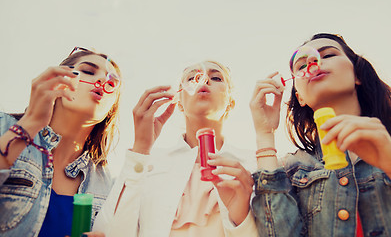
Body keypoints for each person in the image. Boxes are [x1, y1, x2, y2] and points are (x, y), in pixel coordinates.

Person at [93, 60, 258, 236]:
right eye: (192, 78)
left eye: (216, 77)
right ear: (179, 101)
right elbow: (109, 232)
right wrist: (140, 149)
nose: (204, 80)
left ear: (230, 102)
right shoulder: (149, 163)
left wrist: (242, 219)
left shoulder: (252, 166)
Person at [250, 33, 391, 236]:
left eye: (328, 55)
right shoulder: (289, 170)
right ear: (299, 97)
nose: (312, 62)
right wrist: (264, 133)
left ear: (357, 75)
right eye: (300, 66)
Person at [0, 47, 122, 237]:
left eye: (112, 82)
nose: (101, 81)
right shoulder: (3, 127)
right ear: (58, 79)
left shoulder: (108, 183)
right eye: (88, 71)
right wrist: (30, 123)